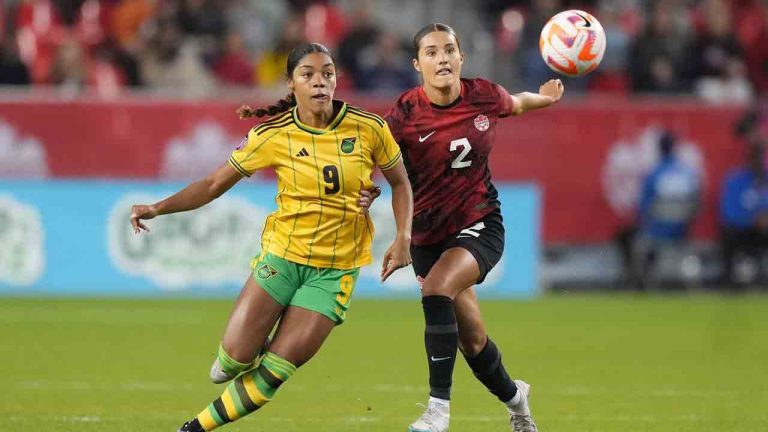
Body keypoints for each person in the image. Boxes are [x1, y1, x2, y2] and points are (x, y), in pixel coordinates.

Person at [129, 42, 413, 432]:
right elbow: (212, 184)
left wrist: (403, 237)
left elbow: (400, 182)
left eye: (327, 73)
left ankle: (194, 428)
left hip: (335, 271)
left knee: (275, 371)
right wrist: (158, 207)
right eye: (308, 75)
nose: (320, 82)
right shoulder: (271, 135)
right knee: (231, 362)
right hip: (282, 257)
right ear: (290, 83)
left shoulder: (369, 128)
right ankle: (240, 353)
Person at [383, 23, 563, 432]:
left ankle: (437, 411)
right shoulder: (405, 115)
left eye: (449, 50)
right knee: (474, 342)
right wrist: (365, 196)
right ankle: (518, 400)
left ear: (461, 57)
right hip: (429, 236)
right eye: (431, 52)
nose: (442, 58)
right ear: (417, 64)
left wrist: (544, 99)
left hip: (480, 221)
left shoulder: (482, 93)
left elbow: (515, 103)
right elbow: (380, 165)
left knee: (435, 289)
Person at [616, 131, 701, 289]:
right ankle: (692, 285)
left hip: (657, 231)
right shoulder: (688, 173)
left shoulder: (655, 174)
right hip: (682, 230)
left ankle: (643, 284)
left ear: (659, 149)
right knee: (685, 248)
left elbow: (643, 207)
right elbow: (696, 204)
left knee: (634, 239)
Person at [720, 139, 768, 288]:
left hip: (764, 229)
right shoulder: (736, 179)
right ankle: (729, 281)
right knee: (728, 233)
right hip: (742, 229)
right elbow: (729, 212)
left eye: (760, 155)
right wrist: (752, 220)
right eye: (755, 155)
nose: (758, 159)